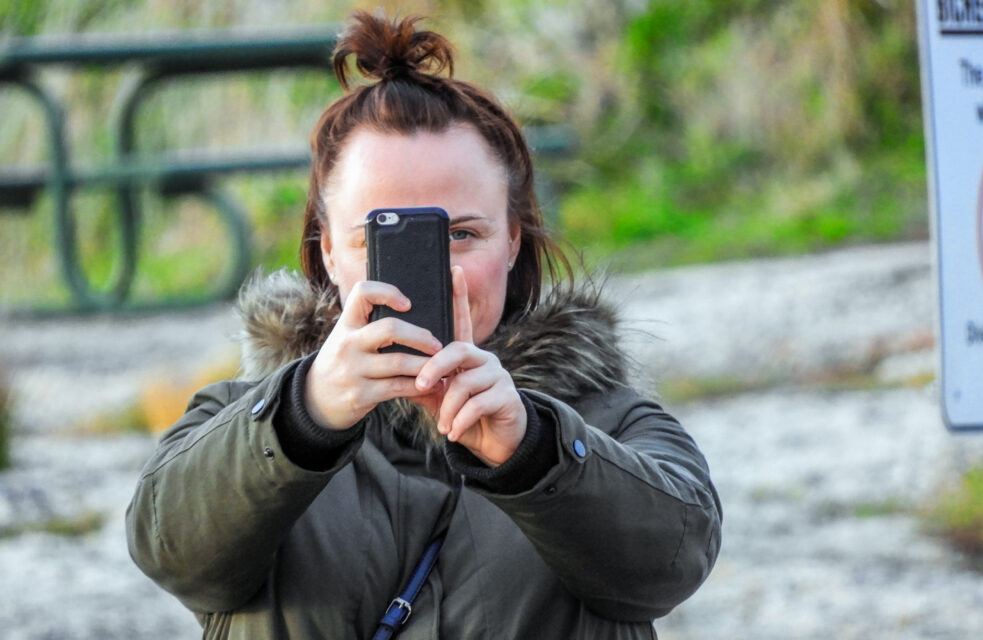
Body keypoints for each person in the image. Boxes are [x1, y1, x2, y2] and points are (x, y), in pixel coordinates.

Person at [126, 11, 721, 639]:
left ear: (514, 241)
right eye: (382, 239)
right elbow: (171, 553)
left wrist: (536, 453)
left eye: (460, 233)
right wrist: (303, 419)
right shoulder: (235, 418)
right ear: (328, 250)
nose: (430, 271)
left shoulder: (612, 423)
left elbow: (673, 564)